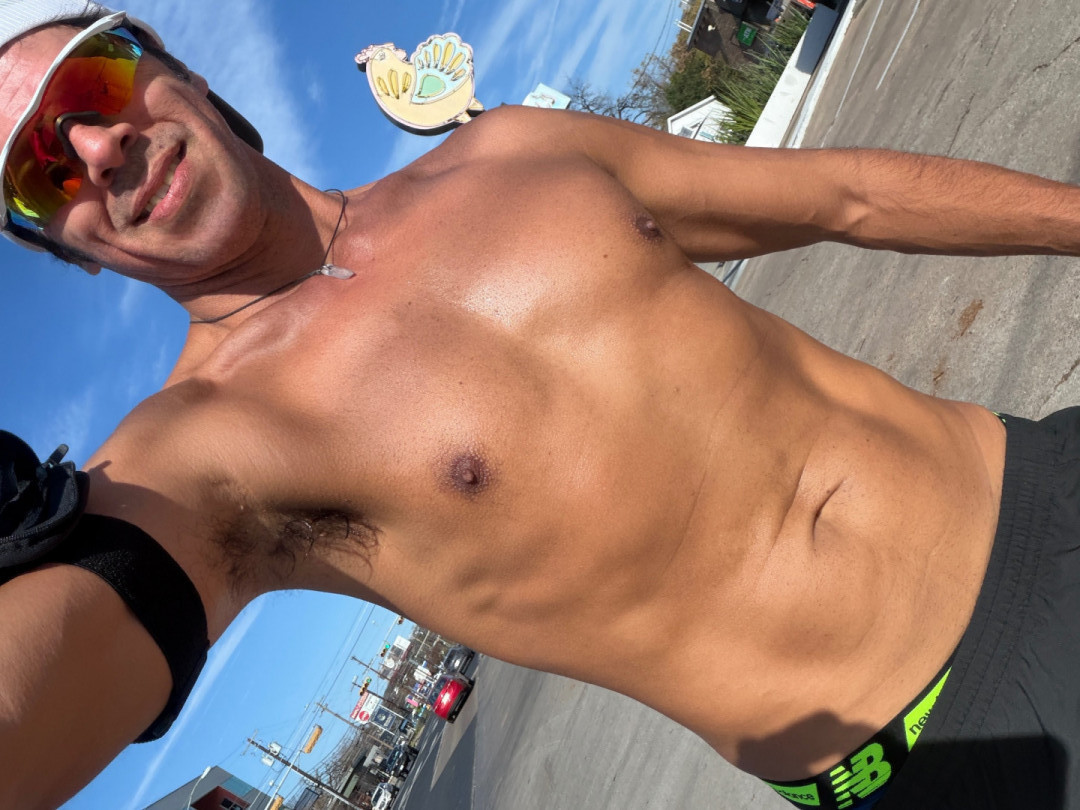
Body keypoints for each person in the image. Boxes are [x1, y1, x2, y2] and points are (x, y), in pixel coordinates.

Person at [1, 2, 1079, 808]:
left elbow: (846, 196)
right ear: (66, 249)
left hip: (1041, 475)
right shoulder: (197, 452)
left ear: (178, 72)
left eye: (92, 81)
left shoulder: (515, 148)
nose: (96, 148)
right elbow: (57, 668)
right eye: (40, 170)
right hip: (945, 744)